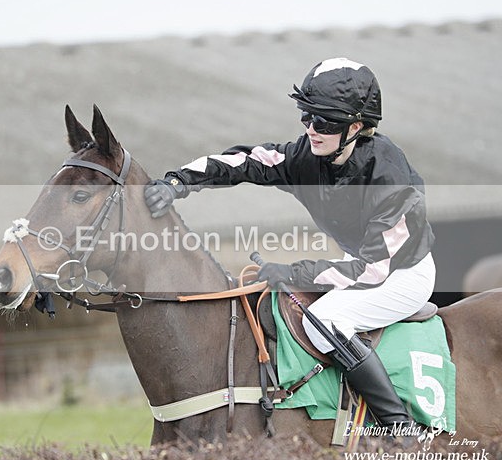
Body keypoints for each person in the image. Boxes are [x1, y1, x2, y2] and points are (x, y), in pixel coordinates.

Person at [144, 57, 435, 435]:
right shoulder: (305, 157)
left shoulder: (388, 175)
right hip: (360, 260)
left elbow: (374, 269)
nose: (312, 129)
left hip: (402, 272)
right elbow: (244, 161)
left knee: (324, 322)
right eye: (306, 117)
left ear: (357, 127)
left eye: (325, 122)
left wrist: (293, 272)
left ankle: (399, 426)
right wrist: (178, 182)